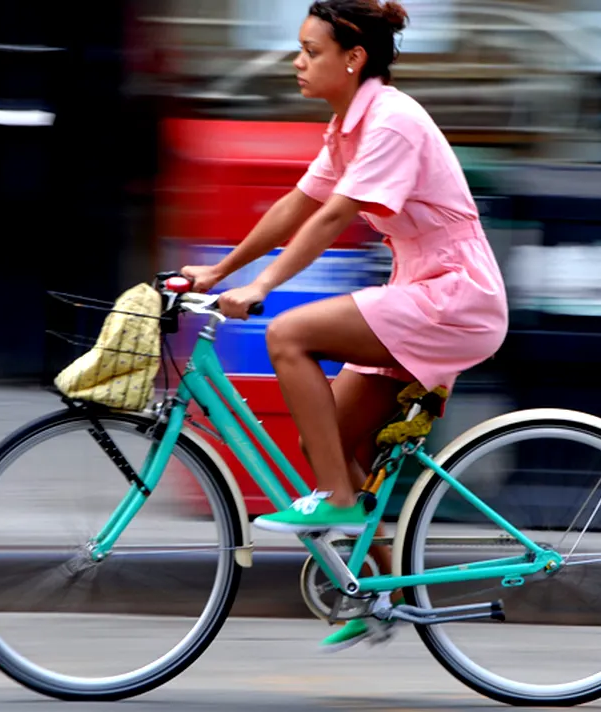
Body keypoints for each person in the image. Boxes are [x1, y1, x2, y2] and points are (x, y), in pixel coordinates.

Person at [180, 0, 509, 651]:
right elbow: (292, 208)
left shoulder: (390, 122)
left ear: (352, 59)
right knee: (326, 437)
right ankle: (378, 594)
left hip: (454, 298)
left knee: (289, 335)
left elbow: (332, 219)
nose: (297, 63)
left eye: (311, 50)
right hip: (421, 293)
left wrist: (264, 287)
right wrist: (217, 275)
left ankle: (338, 500)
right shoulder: (347, 127)